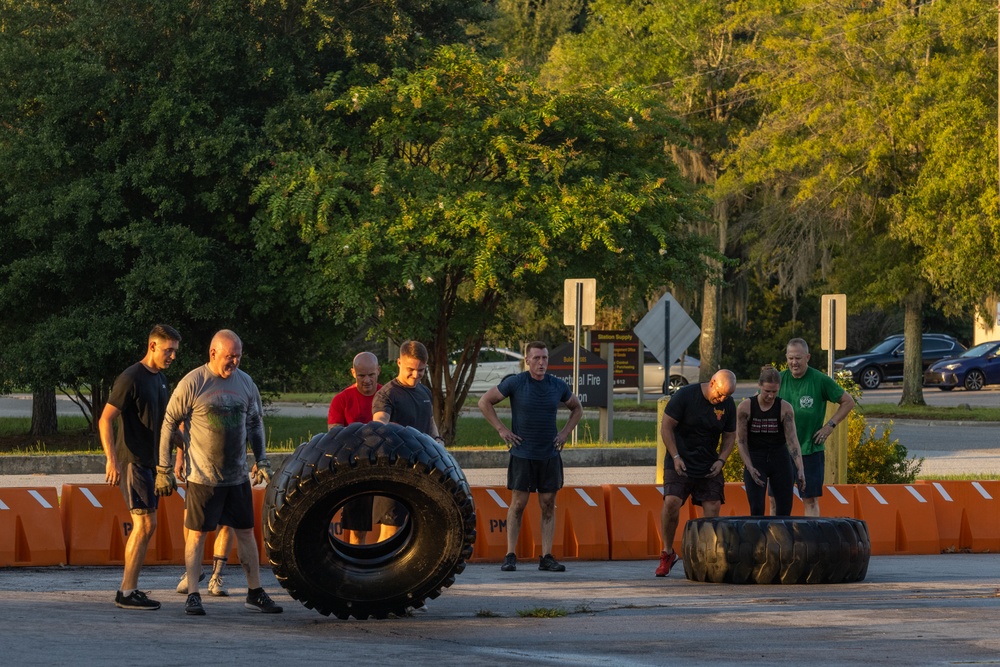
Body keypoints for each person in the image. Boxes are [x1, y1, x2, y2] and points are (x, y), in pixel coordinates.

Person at [156, 329, 282, 616]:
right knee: (197, 535)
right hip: (202, 477)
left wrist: (262, 459)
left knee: (247, 532)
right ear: (213, 353)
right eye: (229, 357)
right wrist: (163, 467)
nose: (234, 362)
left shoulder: (246, 383)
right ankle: (193, 594)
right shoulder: (193, 382)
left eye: (238, 356)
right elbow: (168, 423)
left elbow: (255, 423)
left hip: (236, 477)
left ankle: (255, 592)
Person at [478, 341, 584, 573]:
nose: (541, 363)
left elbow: (577, 408)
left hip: (549, 454)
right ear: (527, 360)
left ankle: (546, 556)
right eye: (536, 358)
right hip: (523, 453)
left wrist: (565, 433)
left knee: (548, 505)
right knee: (518, 504)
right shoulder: (516, 383)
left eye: (544, 358)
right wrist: (501, 429)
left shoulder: (557, 385)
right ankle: (510, 555)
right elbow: (484, 401)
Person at [98, 324, 181, 610]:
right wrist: (112, 459)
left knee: (147, 525)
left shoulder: (161, 380)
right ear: (153, 346)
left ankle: (129, 589)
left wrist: (185, 448)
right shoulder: (131, 377)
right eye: (168, 350)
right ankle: (126, 591)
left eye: (175, 351)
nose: (172, 356)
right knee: (145, 524)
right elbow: (105, 419)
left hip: (154, 464)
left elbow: (164, 424)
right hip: (133, 460)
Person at [656, 369, 737, 577]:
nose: (721, 399)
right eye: (719, 394)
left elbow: (729, 436)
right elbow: (666, 428)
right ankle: (667, 552)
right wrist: (675, 456)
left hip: (709, 463)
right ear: (712, 383)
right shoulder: (685, 395)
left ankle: (707, 555)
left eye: (726, 397)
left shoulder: (727, 405)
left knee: (713, 506)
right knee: (672, 502)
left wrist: (721, 460)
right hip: (680, 460)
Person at [778, 338, 856, 517]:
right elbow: (758, 401)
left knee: (810, 500)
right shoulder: (779, 379)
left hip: (810, 450)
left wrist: (830, 426)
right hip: (781, 452)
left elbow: (848, 402)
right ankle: (779, 540)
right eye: (790, 358)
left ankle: (810, 541)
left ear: (808, 357)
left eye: (798, 358)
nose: (794, 363)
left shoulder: (820, 380)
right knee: (777, 499)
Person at [371, 341, 442, 539]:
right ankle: (380, 569)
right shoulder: (387, 395)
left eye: (421, 370)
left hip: (423, 469)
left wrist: (437, 439)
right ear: (399, 363)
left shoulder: (424, 391)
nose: (415, 375)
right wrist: (386, 429)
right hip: (395, 472)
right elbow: (379, 424)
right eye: (411, 369)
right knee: (390, 531)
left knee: (417, 530)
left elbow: (429, 421)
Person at [736, 366, 805, 516]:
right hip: (756, 458)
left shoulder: (785, 408)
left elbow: (793, 441)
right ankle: (757, 539)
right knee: (757, 508)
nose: (770, 396)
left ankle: (782, 538)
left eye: (774, 392)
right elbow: (741, 441)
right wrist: (749, 466)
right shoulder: (745, 407)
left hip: (779, 458)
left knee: (784, 510)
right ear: (759, 386)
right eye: (767, 391)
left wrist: (800, 468)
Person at [328, 351, 381, 544]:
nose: (367, 380)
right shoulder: (342, 400)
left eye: (371, 375)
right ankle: (356, 562)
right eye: (361, 376)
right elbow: (334, 438)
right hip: (355, 467)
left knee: (391, 523)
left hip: (384, 465)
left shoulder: (387, 396)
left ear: (378, 371)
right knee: (357, 528)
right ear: (353, 373)